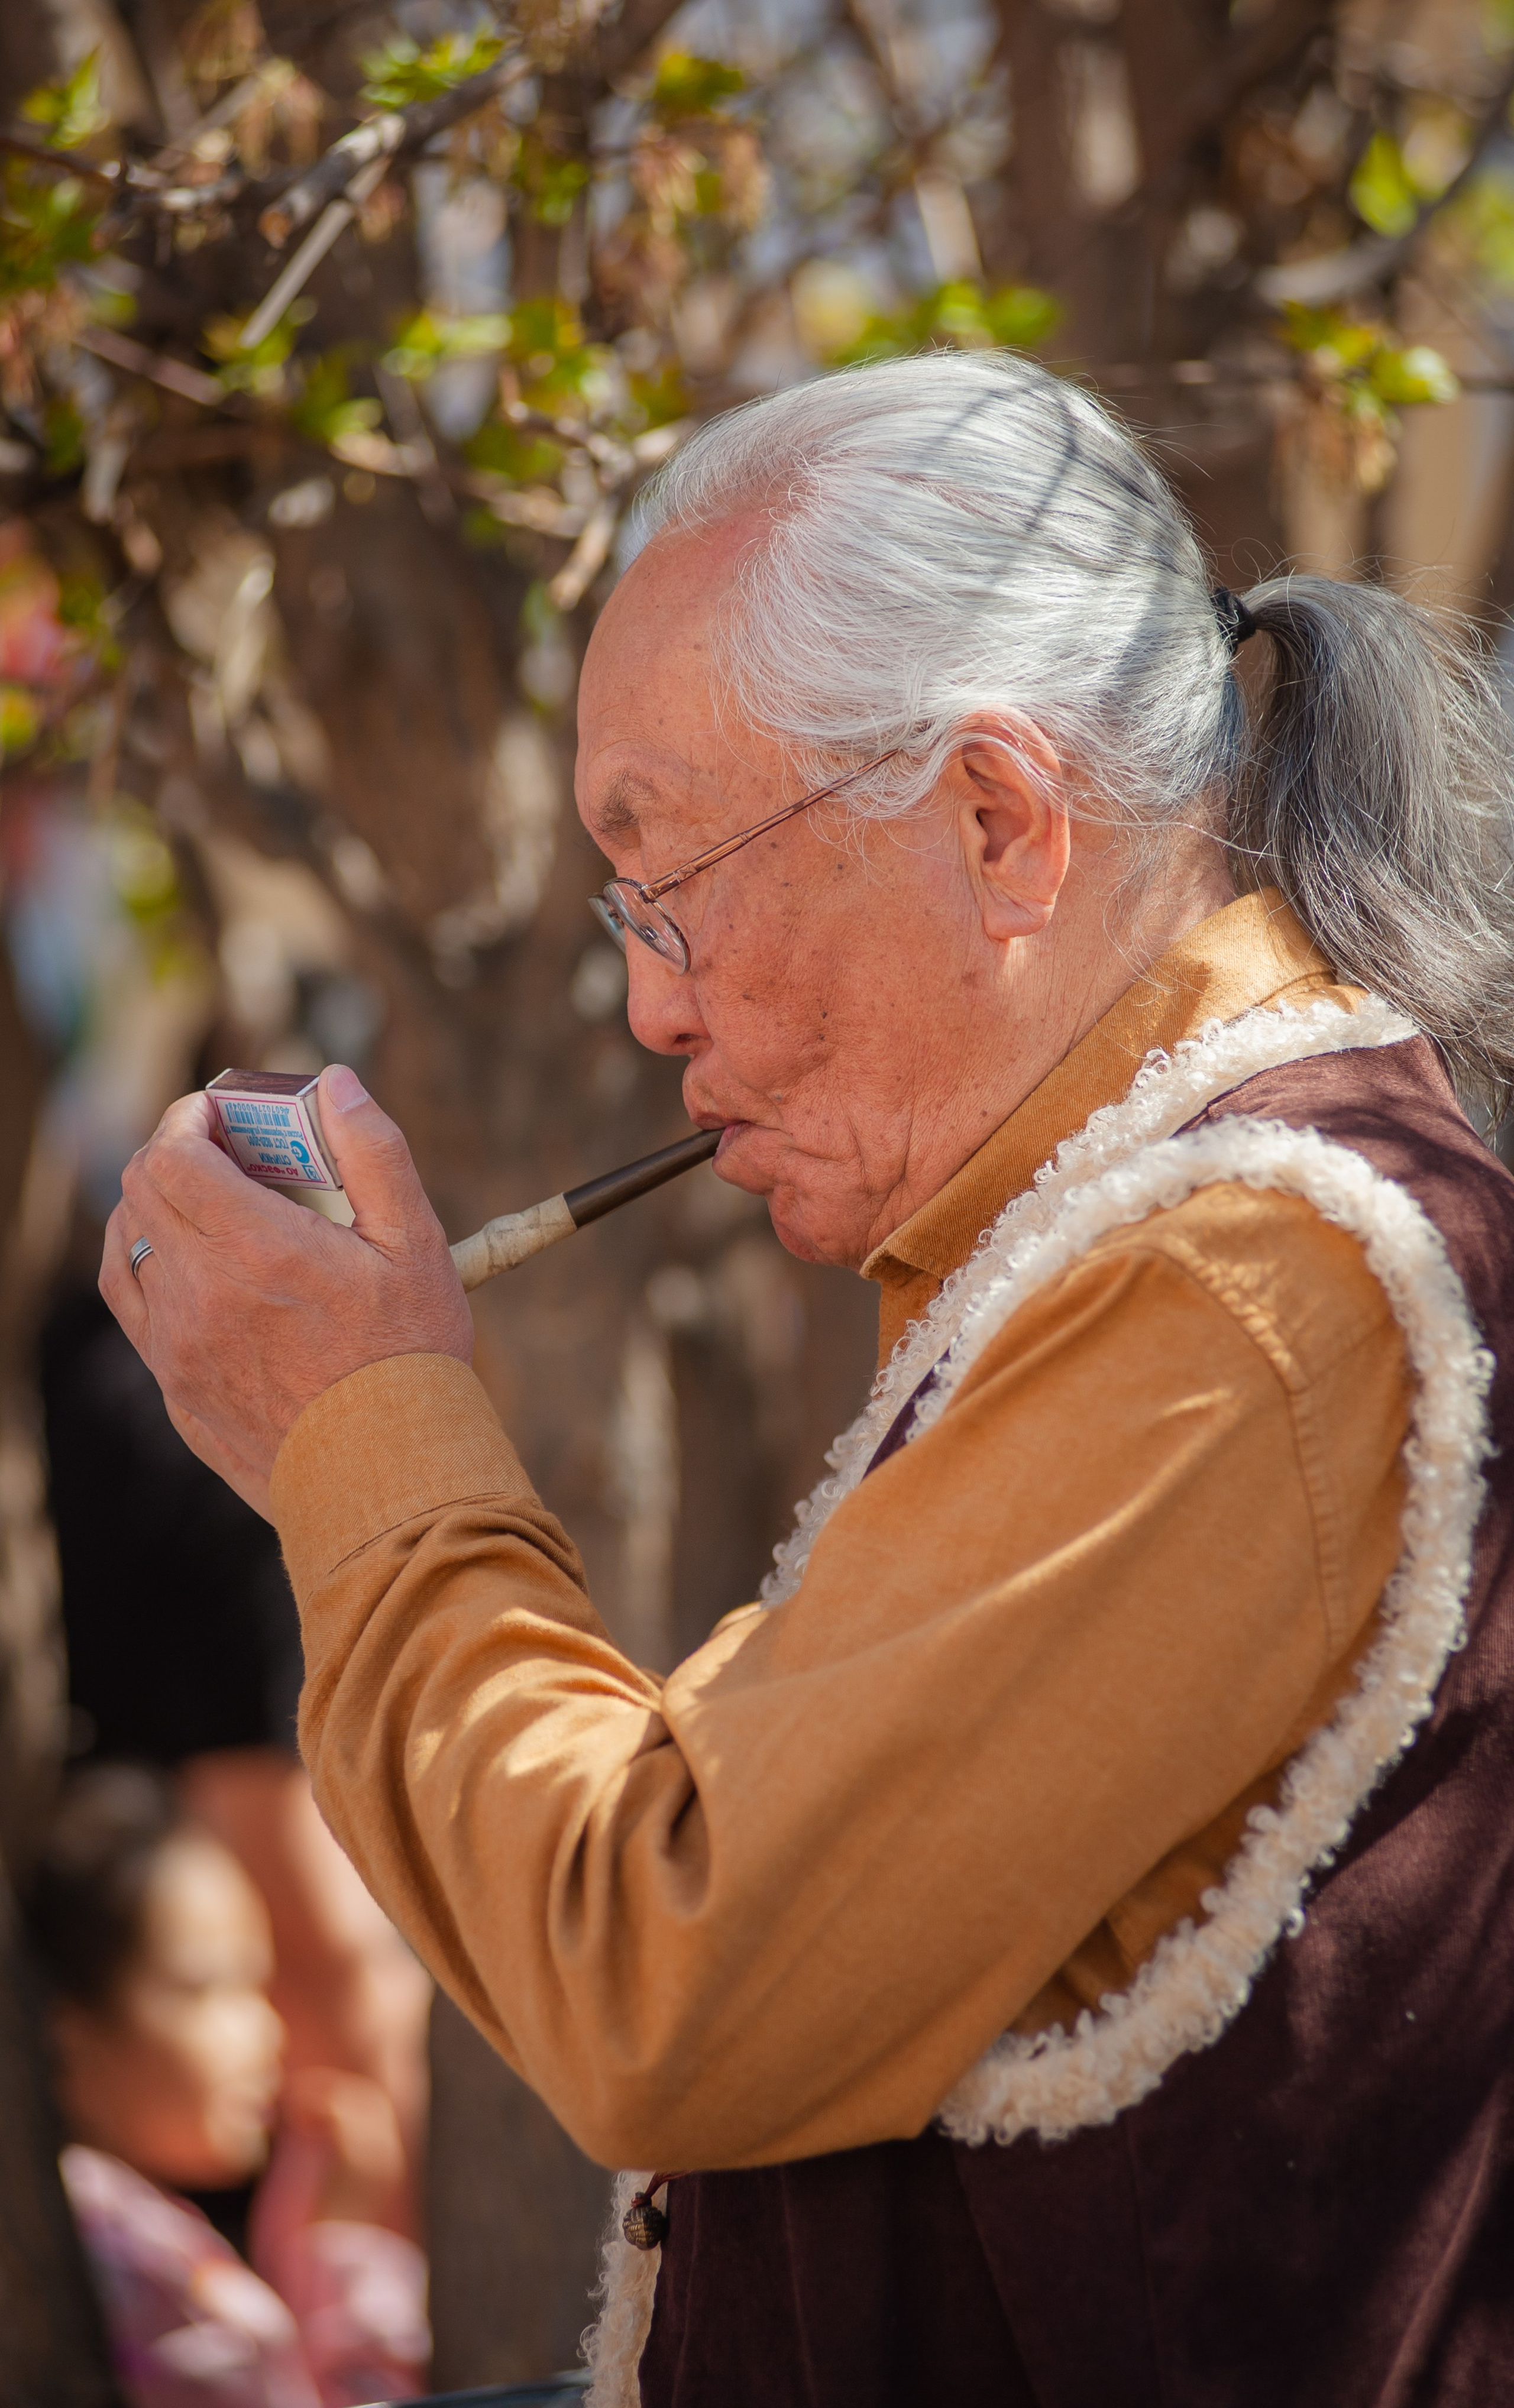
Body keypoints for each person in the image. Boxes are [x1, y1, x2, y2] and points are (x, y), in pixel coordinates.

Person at [99, 351, 1514, 2406]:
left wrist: (360, 1427)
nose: (650, 1004)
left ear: (996, 818)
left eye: (668, 883)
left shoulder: (1257, 1279)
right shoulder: (1136, 1245)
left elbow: (658, 1968)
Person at [38, 1281, 432, 2245]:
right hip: (278, 2179)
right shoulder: (216, 1427)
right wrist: (393, 2236)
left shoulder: (98, 1353)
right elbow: (322, 1935)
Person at [25, 1763, 429, 2408]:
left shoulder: (136, 2233)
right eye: (207, 1986)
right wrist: (345, 2249)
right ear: (70, 2036)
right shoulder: (131, 2260)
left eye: (258, 1984)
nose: (266, 2030)